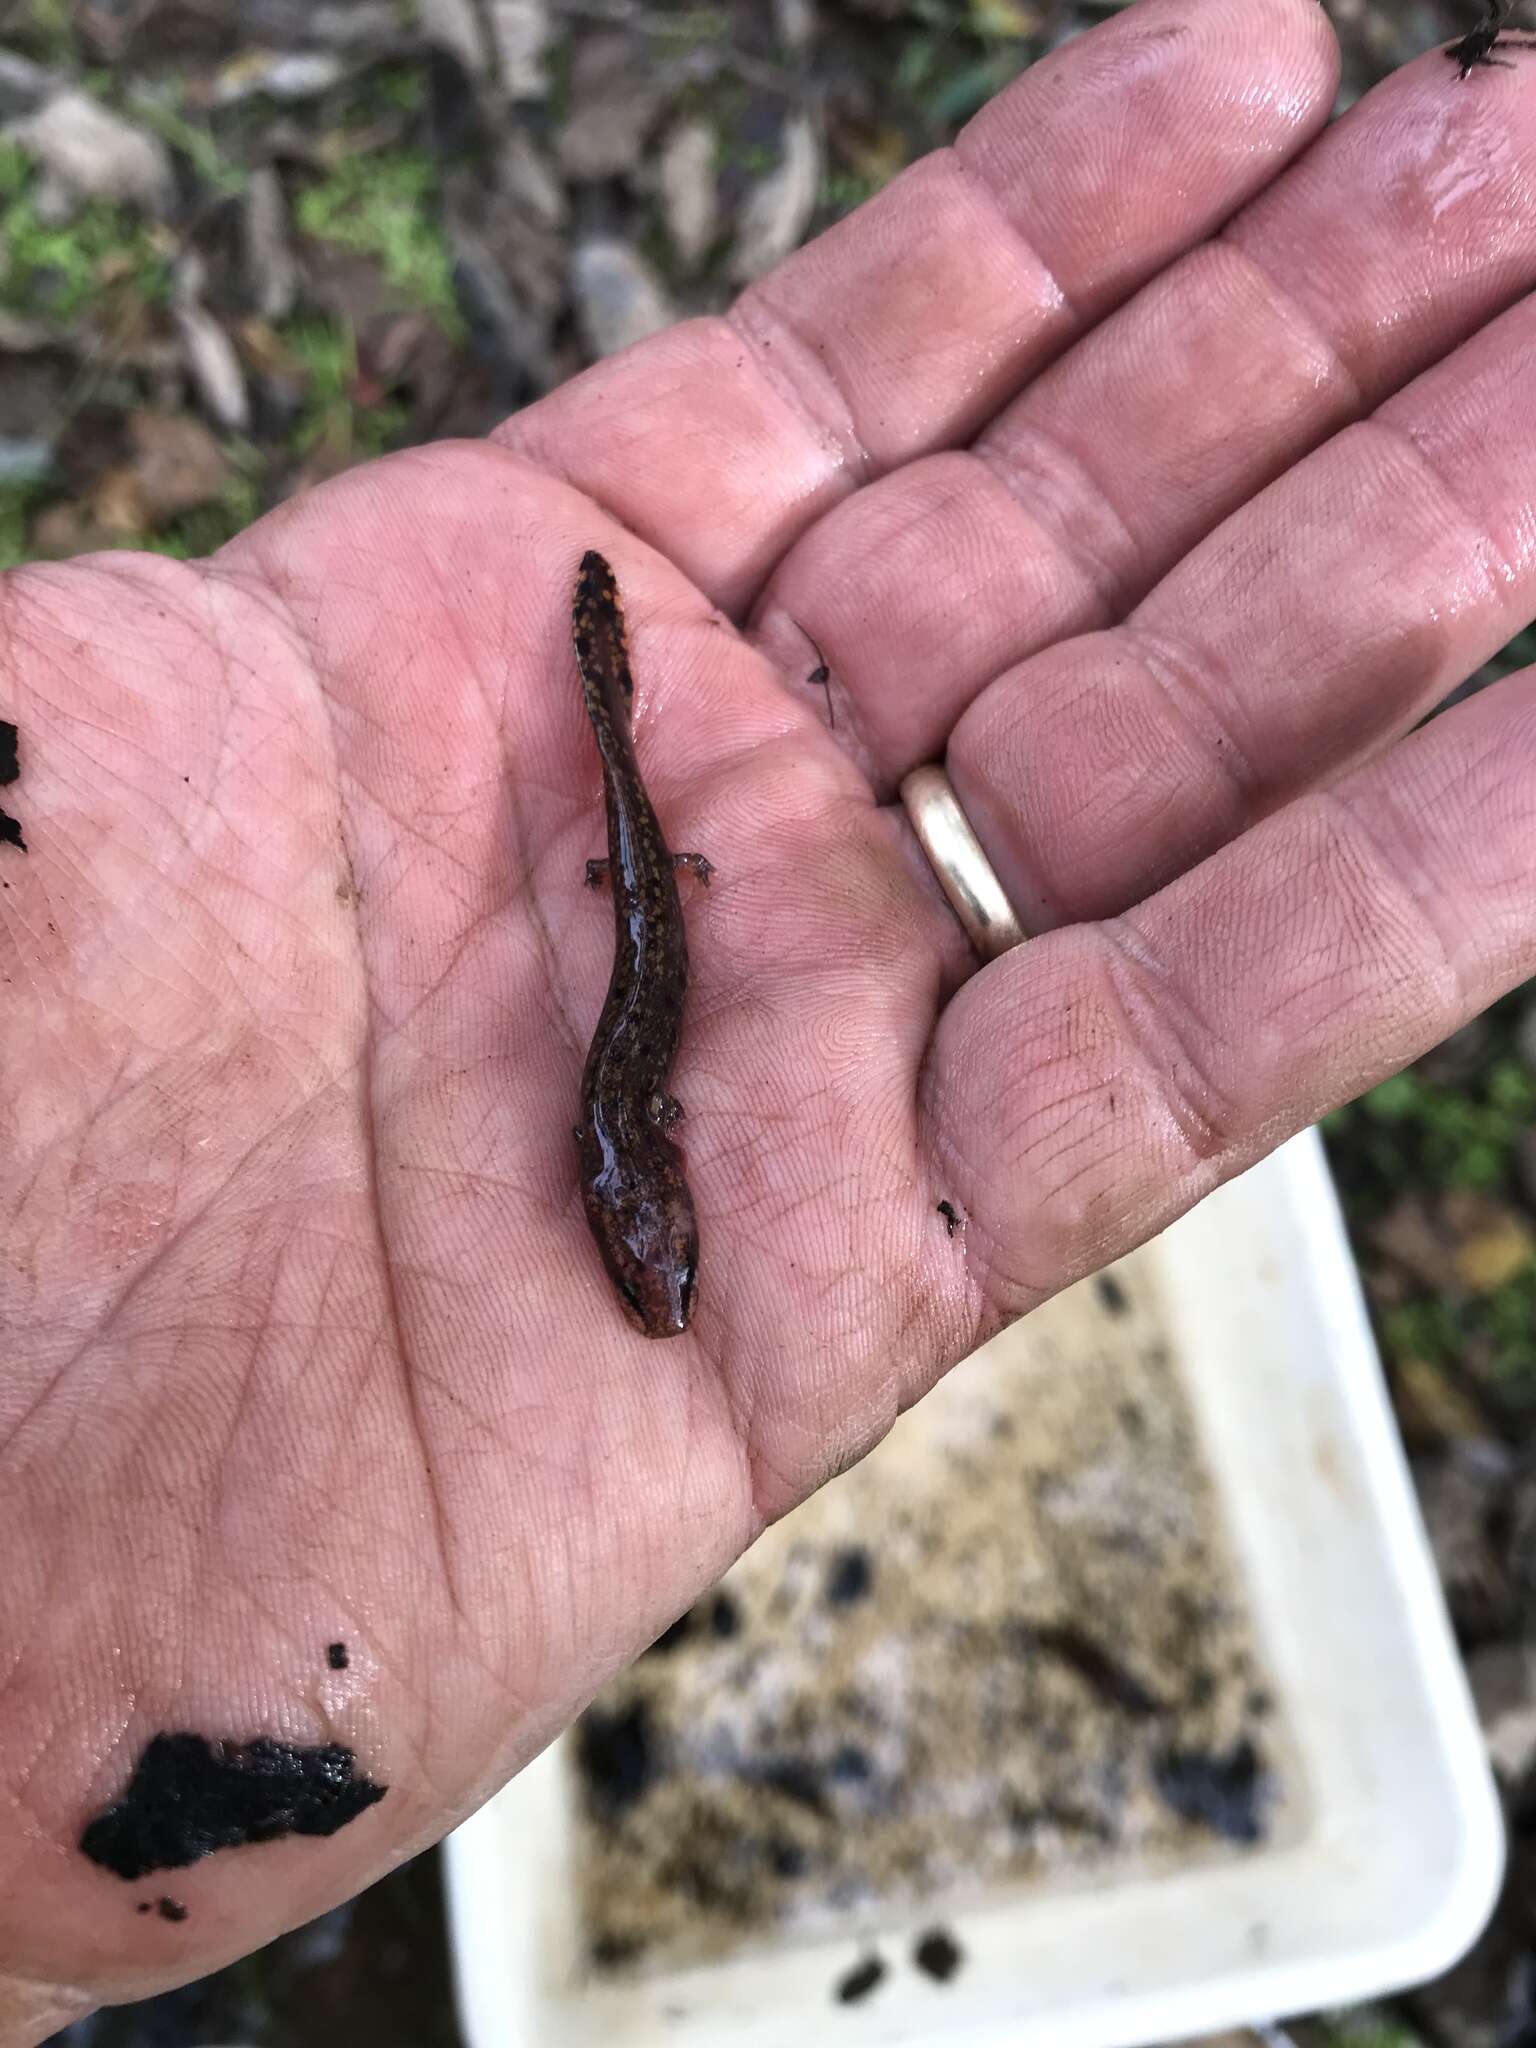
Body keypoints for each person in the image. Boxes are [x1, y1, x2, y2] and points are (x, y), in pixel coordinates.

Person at [3, 0, 1534, 2033]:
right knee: (632, 850)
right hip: (639, 909)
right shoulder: (610, 1158)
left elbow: (633, 1099)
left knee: (637, 853)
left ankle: (603, 667)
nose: (659, 1261)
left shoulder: (630, 1129)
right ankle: (597, 665)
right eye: (656, 1251)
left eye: (656, 1251)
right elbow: (621, 1115)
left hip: (649, 906)